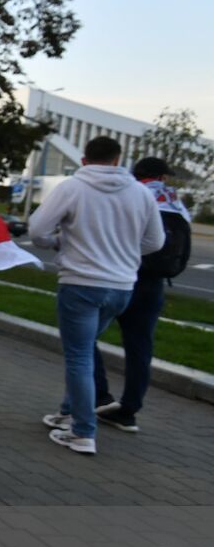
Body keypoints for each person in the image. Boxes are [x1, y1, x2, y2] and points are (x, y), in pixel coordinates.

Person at [28, 136, 164, 455]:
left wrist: (60, 242)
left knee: (78, 355)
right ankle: (68, 410)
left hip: (81, 283)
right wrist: (125, 253)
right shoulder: (141, 193)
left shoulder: (73, 187)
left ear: (85, 160)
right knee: (85, 350)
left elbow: (37, 231)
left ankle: (82, 431)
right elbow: (155, 242)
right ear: (119, 160)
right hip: (121, 287)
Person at [91, 156, 193, 432]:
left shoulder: (130, 195)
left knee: (85, 336)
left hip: (121, 277)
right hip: (153, 285)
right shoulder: (176, 203)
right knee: (140, 348)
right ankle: (128, 410)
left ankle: (100, 396)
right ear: (159, 177)